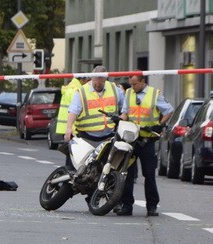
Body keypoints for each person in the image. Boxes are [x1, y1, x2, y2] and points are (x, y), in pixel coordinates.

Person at [114, 74, 173, 217]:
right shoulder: (128, 93)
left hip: (148, 140)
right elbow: (126, 113)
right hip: (131, 139)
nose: (133, 87)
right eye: (131, 84)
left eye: (135, 84)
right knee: (126, 173)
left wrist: (160, 124)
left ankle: (151, 206)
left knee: (149, 174)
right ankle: (126, 206)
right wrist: (119, 119)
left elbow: (169, 110)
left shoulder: (154, 94)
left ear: (142, 82)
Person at [64, 65, 125, 150]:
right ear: (91, 78)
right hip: (87, 137)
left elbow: (125, 109)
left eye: (100, 83)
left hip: (109, 136)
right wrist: (69, 128)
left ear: (105, 79)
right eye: (95, 83)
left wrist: (123, 117)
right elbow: (73, 111)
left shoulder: (114, 89)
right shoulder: (82, 91)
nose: (97, 85)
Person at [53, 74, 90, 143]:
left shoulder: (69, 88)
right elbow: (75, 109)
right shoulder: (75, 90)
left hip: (66, 126)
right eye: (86, 80)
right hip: (73, 127)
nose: (86, 83)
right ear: (81, 80)